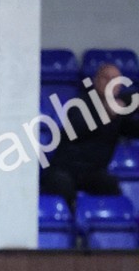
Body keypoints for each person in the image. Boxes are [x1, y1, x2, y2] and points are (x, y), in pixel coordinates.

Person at [40, 62, 139, 211]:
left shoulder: (119, 111)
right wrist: (105, 113)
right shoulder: (79, 103)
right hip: (64, 170)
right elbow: (77, 128)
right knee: (61, 184)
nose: (111, 84)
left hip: (93, 173)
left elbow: (132, 129)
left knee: (110, 185)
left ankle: (113, 228)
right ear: (96, 81)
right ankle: (70, 228)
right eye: (106, 79)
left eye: (116, 80)